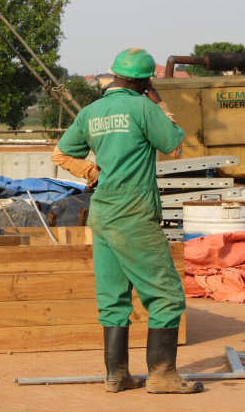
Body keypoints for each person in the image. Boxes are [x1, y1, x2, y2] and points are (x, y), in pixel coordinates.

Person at [51, 48, 202, 394]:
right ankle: (162, 375)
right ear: (143, 81)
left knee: (113, 297)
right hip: (134, 213)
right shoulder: (143, 106)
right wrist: (160, 103)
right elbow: (175, 144)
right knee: (165, 296)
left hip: (102, 213)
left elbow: (60, 153)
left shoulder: (91, 112)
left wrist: (91, 170)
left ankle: (116, 375)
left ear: (115, 75)